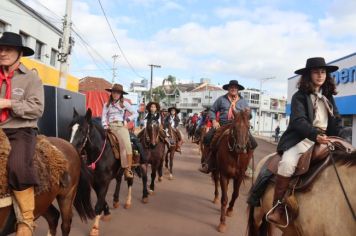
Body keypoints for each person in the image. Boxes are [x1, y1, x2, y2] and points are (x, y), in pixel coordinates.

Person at [266, 57, 342, 226]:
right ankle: (277, 207)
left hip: (325, 138)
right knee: (287, 163)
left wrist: (338, 131)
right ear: (308, 75)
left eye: (323, 72)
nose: (320, 75)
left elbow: (335, 119)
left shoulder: (328, 96)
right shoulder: (299, 97)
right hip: (303, 138)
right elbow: (298, 121)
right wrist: (315, 135)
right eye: (316, 72)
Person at [0, 32, 44, 235]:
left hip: (20, 129)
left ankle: (26, 220)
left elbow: (37, 109)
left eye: (8, 49)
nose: (2, 52)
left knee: (17, 166)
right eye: (0, 49)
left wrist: (9, 103)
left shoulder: (31, 77)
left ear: (19, 53)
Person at [199, 80, 257, 173]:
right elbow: (212, 110)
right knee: (207, 137)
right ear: (228, 89)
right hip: (223, 124)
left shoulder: (243, 102)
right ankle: (207, 163)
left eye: (235, 87)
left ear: (238, 89)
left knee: (253, 143)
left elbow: (249, 115)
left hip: (238, 127)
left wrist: (247, 114)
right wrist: (214, 121)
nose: (233, 89)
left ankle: (245, 167)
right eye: (231, 87)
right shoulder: (221, 99)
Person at [102, 84, 137, 180]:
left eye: (118, 93)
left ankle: (128, 169)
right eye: (114, 92)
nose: (116, 94)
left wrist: (127, 120)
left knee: (127, 145)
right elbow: (104, 117)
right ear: (111, 93)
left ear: (121, 94)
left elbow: (135, 113)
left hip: (121, 126)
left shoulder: (124, 103)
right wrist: (105, 125)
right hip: (110, 127)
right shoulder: (106, 104)